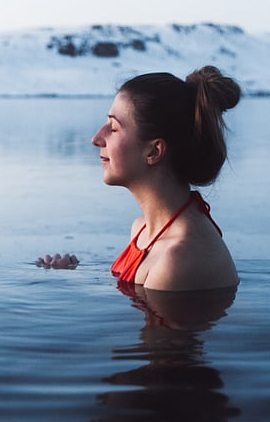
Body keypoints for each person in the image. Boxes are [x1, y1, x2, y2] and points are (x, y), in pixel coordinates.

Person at [94, 65, 241, 291]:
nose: (96, 138)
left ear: (153, 152)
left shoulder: (178, 258)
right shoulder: (142, 229)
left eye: (113, 128)